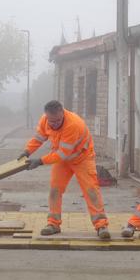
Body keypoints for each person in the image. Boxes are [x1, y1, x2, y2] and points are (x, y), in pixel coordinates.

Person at [20, 100, 110, 239]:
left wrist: (39, 161)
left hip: (82, 158)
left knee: (91, 190)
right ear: (46, 116)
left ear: (63, 113)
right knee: (55, 190)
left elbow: (63, 153)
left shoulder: (72, 124)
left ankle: (101, 225)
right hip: (61, 159)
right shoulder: (45, 120)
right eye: (51, 121)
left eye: (57, 120)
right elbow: (38, 138)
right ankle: (53, 224)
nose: (54, 124)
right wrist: (27, 151)